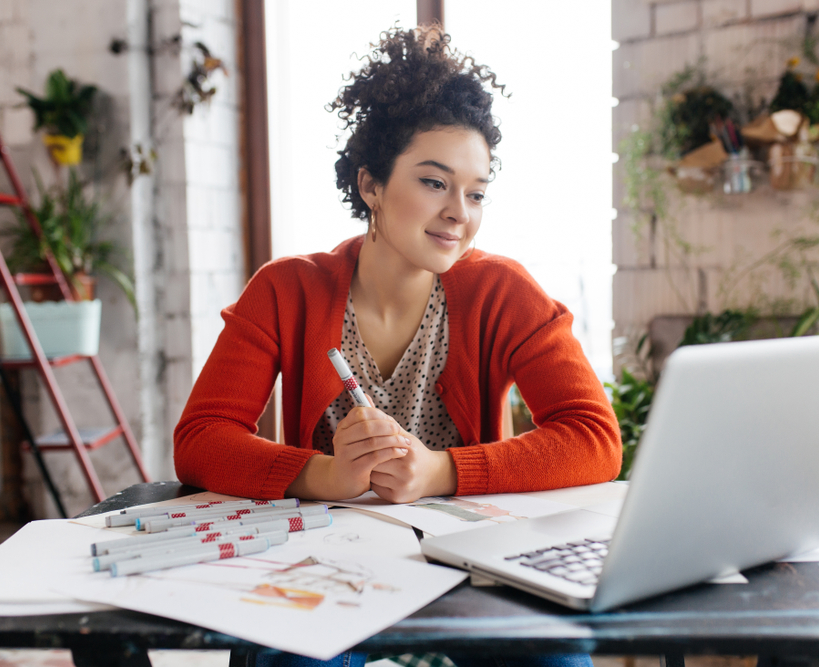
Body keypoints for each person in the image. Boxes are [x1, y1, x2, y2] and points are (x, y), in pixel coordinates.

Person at [175, 23, 621, 667]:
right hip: (328, 560)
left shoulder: (504, 290)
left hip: (470, 564)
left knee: (556, 659)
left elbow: (594, 437)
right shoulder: (285, 289)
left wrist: (438, 471)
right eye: (434, 182)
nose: (458, 213)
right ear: (371, 186)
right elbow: (201, 437)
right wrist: (325, 474)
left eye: (476, 192)